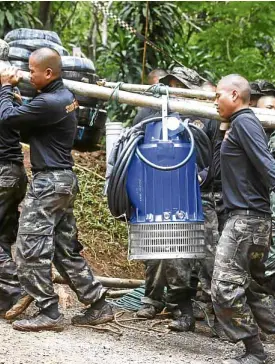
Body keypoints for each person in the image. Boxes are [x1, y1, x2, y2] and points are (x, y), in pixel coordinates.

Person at [0, 48, 113, 332]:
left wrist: (5, 89)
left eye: (32, 70)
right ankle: (98, 305)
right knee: (64, 250)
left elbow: (8, 120)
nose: (28, 75)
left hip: (49, 182)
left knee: (29, 248)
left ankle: (48, 310)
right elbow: (25, 127)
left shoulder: (49, 101)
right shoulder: (62, 98)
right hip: (63, 180)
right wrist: (17, 101)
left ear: (48, 72)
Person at [136, 67, 220, 333]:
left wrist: (203, 177)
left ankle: (217, 315)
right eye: (170, 84)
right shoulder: (152, 113)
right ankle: (180, 309)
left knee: (210, 257)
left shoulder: (208, 117)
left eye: (178, 85)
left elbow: (219, 157)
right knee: (173, 257)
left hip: (202, 196)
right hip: (167, 196)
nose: (173, 89)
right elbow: (135, 150)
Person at [211, 74, 275, 364]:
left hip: (247, 221)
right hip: (248, 219)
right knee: (252, 288)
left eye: (218, 96)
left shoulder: (246, 123)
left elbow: (267, 165)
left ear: (235, 95)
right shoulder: (237, 124)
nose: (214, 102)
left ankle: (255, 352)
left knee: (224, 286)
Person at [0, 85, 29, 317]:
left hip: (2, 173)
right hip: (16, 172)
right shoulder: (12, 97)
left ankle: (21, 287)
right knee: (3, 237)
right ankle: (6, 300)